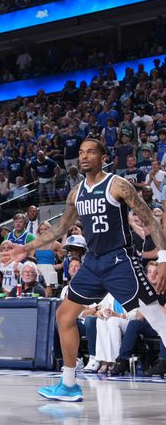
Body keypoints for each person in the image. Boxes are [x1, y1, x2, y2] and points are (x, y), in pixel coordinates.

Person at [29, 139, 166, 402]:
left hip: (120, 261)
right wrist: (26, 248)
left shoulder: (118, 184)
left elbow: (149, 218)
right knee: (64, 315)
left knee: (157, 319)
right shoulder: (75, 193)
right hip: (92, 262)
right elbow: (59, 230)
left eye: (91, 151)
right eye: (80, 153)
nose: (84, 156)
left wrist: (163, 258)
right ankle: (68, 384)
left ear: (104, 157)